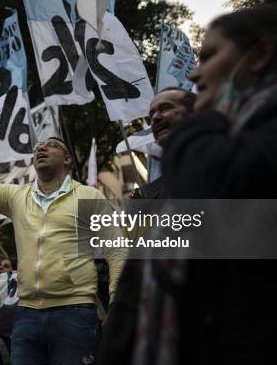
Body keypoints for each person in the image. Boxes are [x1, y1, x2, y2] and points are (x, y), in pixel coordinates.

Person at [160, 6, 277, 363]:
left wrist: (197, 125)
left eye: (210, 56)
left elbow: (214, 195)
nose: (194, 72)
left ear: (260, 54)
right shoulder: (262, 131)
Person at [0, 114, 126, 365]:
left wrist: (116, 301)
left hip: (75, 313)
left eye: (51, 145)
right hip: (26, 316)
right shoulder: (17, 196)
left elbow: (117, 250)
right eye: (37, 148)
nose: (41, 148)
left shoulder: (89, 195)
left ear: (67, 159)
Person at [99, 88, 196, 365]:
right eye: (152, 113)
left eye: (166, 108)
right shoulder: (145, 196)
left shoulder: (227, 171)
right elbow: (133, 265)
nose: (155, 118)